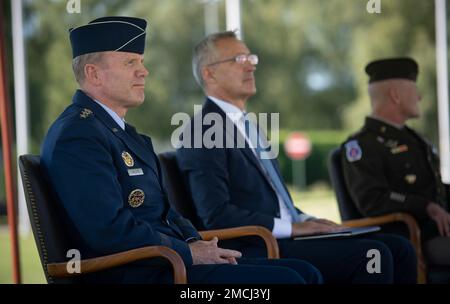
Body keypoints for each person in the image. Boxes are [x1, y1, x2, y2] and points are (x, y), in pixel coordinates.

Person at [40, 16, 323, 284]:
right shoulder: (78, 134)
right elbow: (108, 230)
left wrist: (194, 242)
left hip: (165, 263)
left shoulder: (124, 134)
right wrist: (189, 253)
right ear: (94, 74)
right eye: (130, 62)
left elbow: (166, 212)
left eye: (141, 61)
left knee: (303, 272)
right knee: (288, 280)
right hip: (137, 272)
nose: (144, 70)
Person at [176, 31, 418, 284]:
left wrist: (306, 219)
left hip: (287, 236)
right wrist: (293, 227)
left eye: (251, 57)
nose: (250, 65)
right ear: (209, 73)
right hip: (257, 244)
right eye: (238, 59)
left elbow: (276, 202)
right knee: (373, 255)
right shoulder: (202, 130)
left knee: (399, 248)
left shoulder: (249, 126)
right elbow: (215, 214)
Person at [341, 57, 450, 267]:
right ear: (395, 95)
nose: (419, 96)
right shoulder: (361, 146)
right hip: (409, 240)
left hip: (437, 233)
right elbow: (372, 200)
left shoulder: (414, 139)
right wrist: (426, 207)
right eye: (414, 90)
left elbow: (432, 189)